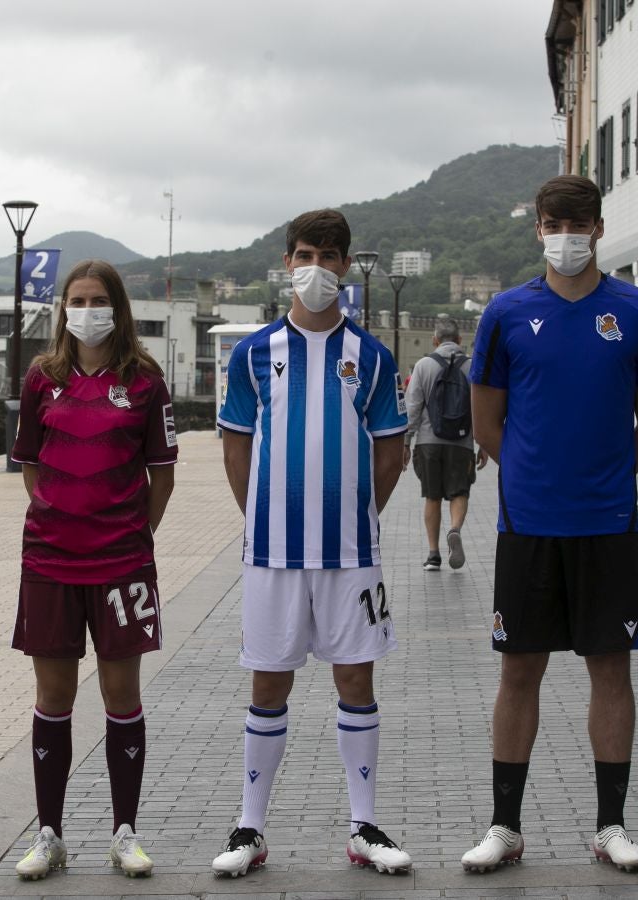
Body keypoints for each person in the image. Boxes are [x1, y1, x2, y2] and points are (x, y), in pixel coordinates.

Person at [461, 175, 638, 874]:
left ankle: (611, 825)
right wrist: (529, 475)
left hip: (609, 524)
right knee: (519, 670)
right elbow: (486, 420)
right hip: (529, 525)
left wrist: (607, 478)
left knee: (610, 670)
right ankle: (505, 826)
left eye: (579, 222)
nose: (567, 234)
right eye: (555, 221)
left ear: (600, 228)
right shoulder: (505, 314)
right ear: (539, 228)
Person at [213, 209, 412, 878]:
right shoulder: (253, 354)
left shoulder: (373, 358)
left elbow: (392, 455)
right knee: (268, 684)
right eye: (305, 254)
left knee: (356, 679)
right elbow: (236, 448)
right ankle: (250, 827)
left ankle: (364, 826)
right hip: (271, 554)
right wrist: (263, 515)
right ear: (287, 261)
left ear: (346, 266)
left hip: (353, 556)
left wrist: (358, 514)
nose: (317, 268)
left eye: (329, 256)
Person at [8, 259, 178, 880]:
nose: (86, 310)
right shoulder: (41, 379)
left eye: (97, 299)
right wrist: (60, 517)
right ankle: (49, 833)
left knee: (121, 696)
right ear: (63, 311)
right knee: (52, 698)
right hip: (49, 562)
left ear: (118, 307)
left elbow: (162, 474)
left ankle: (124, 833)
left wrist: (134, 534)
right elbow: (29, 464)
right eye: (75, 300)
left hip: (122, 565)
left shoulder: (145, 382)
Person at [401, 322, 487, 571]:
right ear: (460, 339)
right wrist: (484, 444)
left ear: (434, 340)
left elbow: (413, 406)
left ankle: (433, 554)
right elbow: (481, 408)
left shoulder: (423, 365)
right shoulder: (473, 366)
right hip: (461, 442)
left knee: (432, 495)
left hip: (429, 442)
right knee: (460, 491)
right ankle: (454, 529)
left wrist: (406, 442)